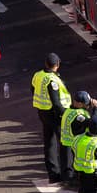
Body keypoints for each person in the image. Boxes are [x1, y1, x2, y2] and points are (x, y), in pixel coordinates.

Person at [32, 53, 72, 181]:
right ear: (57, 65)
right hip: (54, 114)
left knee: (49, 143)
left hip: (42, 111)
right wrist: (67, 114)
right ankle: (68, 174)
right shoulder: (52, 80)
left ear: (46, 64)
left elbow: (33, 89)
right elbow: (56, 102)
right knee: (65, 142)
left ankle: (53, 174)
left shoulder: (38, 75)